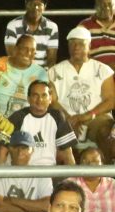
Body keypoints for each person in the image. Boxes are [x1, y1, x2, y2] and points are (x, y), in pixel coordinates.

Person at [49, 25, 115, 156]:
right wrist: (68, 119)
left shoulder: (102, 69)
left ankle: (108, 173)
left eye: (81, 43)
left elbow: (111, 100)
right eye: (72, 43)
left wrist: (88, 115)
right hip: (66, 118)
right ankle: (67, 174)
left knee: (105, 130)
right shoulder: (54, 71)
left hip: (95, 117)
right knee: (61, 131)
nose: (76, 47)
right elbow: (52, 100)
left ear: (89, 47)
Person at [0, 79, 75, 167]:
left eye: (44, 95)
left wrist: (74, 178)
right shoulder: (17, 117)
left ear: (50, 99)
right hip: (22, 172)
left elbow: (67, 153)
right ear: (28, 99)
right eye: (35, 95)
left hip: (49, 172)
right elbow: (2, 151)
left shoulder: (57, 117)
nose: (40, 99)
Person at [0, 130, 52, 212]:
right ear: (9, 148)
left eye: (25, 148)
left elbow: (47, 206)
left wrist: (11, 200)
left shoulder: (41, 173)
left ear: (32, 150)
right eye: (16, 147)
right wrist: (35, 209)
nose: (20, 152)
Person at [0, 34, 49, 118]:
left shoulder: (40, 73)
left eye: (32, 50)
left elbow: (48, 98)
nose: (29, 53)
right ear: (15, 49)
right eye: (25, 49)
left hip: (28, 124)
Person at [4, 0, 58, 68]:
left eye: (39, 4)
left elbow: (51, 59)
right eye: (32, 3)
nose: (36, 7)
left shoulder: (52, 27)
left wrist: (44, 77)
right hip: (19, 72)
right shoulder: (13, 25)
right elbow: (12, 57)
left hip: (42, 74)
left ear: (45, 7)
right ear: (26, 4)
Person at [73, 144, 115, 212]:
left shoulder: (113, 185)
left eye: (95, 161)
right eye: (85, 161)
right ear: (79, 164)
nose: (90, 165)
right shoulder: (70, 184)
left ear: (102, 164)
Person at [76, 0, 115, 69]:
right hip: (94, 71)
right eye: (103, 5)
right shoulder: (84, 26)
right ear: (96, 6)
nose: (107, 8)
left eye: (110, 5)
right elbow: (77, 52)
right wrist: (103, 68)